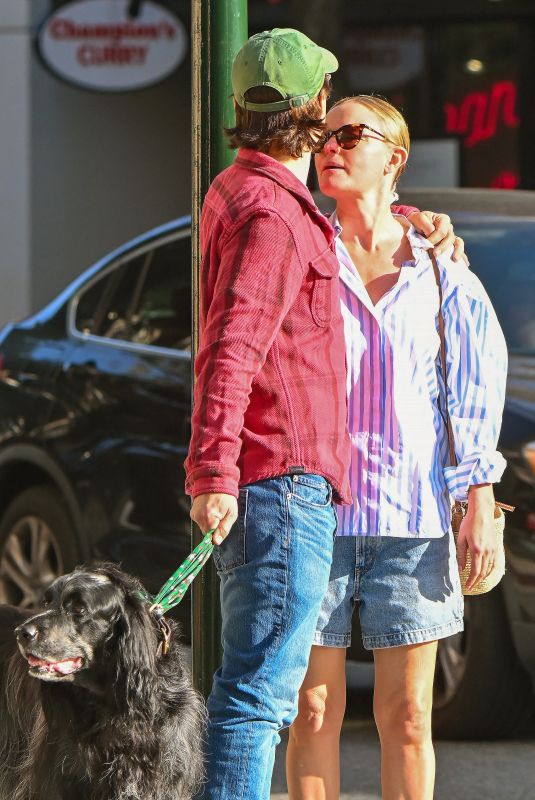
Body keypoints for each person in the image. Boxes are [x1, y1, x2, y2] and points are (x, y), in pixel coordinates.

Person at [185, 29, 463, 800]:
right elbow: (231, 349)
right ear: (310, 106)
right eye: (328, 114)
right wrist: (213, 470)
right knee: (260, 698)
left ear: (242, 105)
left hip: (300, 484)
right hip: (283, 479)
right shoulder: (275, 213)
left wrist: (414, 220)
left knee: (256, 691)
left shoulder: (247, 193)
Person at [286, 95, 508, 800]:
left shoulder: (442, 272)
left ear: (394, 157)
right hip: (315, 514)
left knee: (408, 716)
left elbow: (470, 392)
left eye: (351, 134)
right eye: (322, 136)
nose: (331, 145)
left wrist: (477, 500)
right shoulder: (301, 255)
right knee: (313, 709)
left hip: (412, 521)